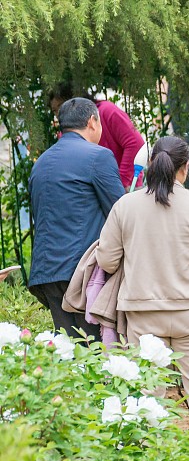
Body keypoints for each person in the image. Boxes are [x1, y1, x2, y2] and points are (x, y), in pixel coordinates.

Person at [96, 136, 189, 436]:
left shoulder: (125, 206)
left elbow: (106, 261)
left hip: (143, 315)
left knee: (148, 395)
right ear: (185, 167)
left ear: (151, 165)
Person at [28, 98, 124, 339]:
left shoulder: (41, 163)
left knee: (70, 354)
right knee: (95, 353)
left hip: (47, 274)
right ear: (92, 122)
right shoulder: (98, 157)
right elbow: (121, 213)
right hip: (83, 275)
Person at [49, 84, 145, 190]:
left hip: (127, 188)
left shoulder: (106, 111)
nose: (59, 113)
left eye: (62, 106)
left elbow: (135, 143)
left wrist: (120, 183)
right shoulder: (65, 134)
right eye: (55, 110)